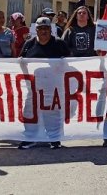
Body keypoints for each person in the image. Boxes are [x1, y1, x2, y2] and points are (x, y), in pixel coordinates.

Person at [18, 17, 70, 150]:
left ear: (50, 30)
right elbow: (21, 61)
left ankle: (54, 138)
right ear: (37, 30)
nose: (43, 31)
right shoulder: (29, 44)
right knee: (30, 111)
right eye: (41, 28)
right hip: (34, 85)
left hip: (54, 85)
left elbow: (70, 62)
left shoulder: (59, 43)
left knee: (52, 112)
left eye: (46, 28)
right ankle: (30, 138)